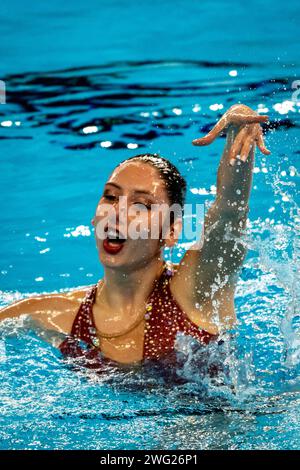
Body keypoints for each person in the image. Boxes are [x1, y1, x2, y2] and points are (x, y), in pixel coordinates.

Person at [0, 104, 270, 368]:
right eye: (110, 196)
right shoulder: (54, 315)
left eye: (142, 205)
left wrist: (241, 127)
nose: (116, 213)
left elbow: (228, 213)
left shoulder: (195, 291)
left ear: (172, 231)